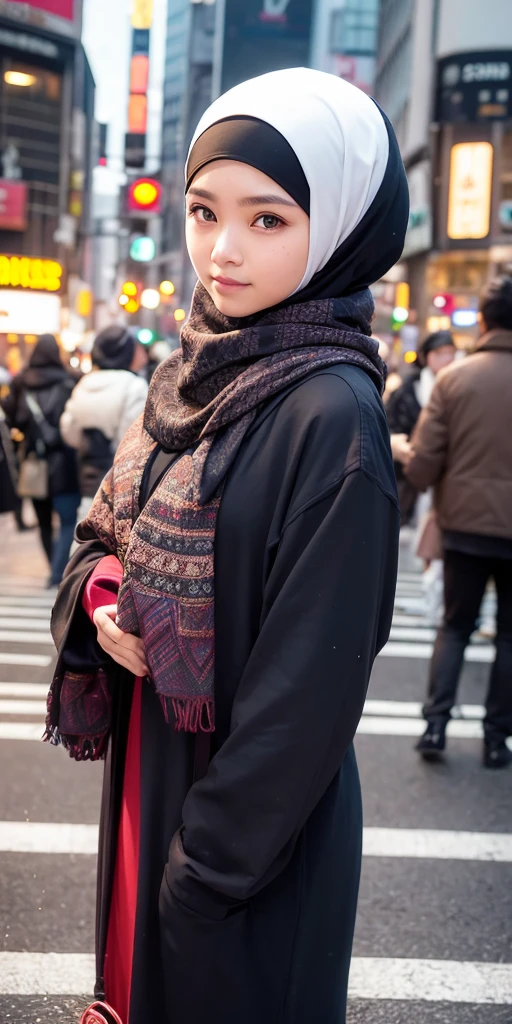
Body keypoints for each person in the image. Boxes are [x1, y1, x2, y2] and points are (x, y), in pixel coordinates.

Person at [46, 68, 408, 1024]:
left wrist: (199, 877)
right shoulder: (190, 374)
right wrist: (103, 596)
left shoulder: (332, 414)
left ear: (337, 230)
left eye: (269, 220)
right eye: (206, 211)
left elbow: (308, 696)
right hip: (154, 787)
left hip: (240, 846)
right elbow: (103, 535)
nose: (222, 251)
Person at [406, 276, 512, 769]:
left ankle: (436, 724)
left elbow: (424, 466)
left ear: (484, 321)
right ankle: (496, 738)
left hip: (464, 525)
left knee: (455, 626)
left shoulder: (455, 379)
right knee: (510, 637)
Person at [3, 335, 79, 585]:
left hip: (34, 461)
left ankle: (54, 568)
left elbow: (11, 418)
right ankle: (59, 571)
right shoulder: (70, 381)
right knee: (68, 520)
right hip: (66, 463)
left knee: (44, 522)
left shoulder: (21, 382)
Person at [59, 326, 148, 523]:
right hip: (121, 484)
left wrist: (90, 446)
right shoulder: (134, 386)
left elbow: (68, 430)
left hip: (87, 477)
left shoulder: (85, 382)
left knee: (85, 533)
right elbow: (132, 439)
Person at [387, 330, 455, 523]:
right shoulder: (408, 388)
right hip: (407, 474)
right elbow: (391, 425)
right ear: (426, 356)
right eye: (440, 353)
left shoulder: (459, 387)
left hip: (445, 478)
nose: (447, 359)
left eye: (450, 353)